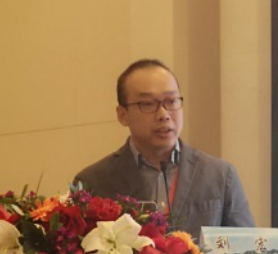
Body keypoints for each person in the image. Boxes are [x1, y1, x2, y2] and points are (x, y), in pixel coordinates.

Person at [74, 59, 255, 239]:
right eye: (148, 104)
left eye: (171, 101)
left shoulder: (220, 176)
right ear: (122, 115)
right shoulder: (92, 183)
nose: (163, 114)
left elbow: (250, 252)